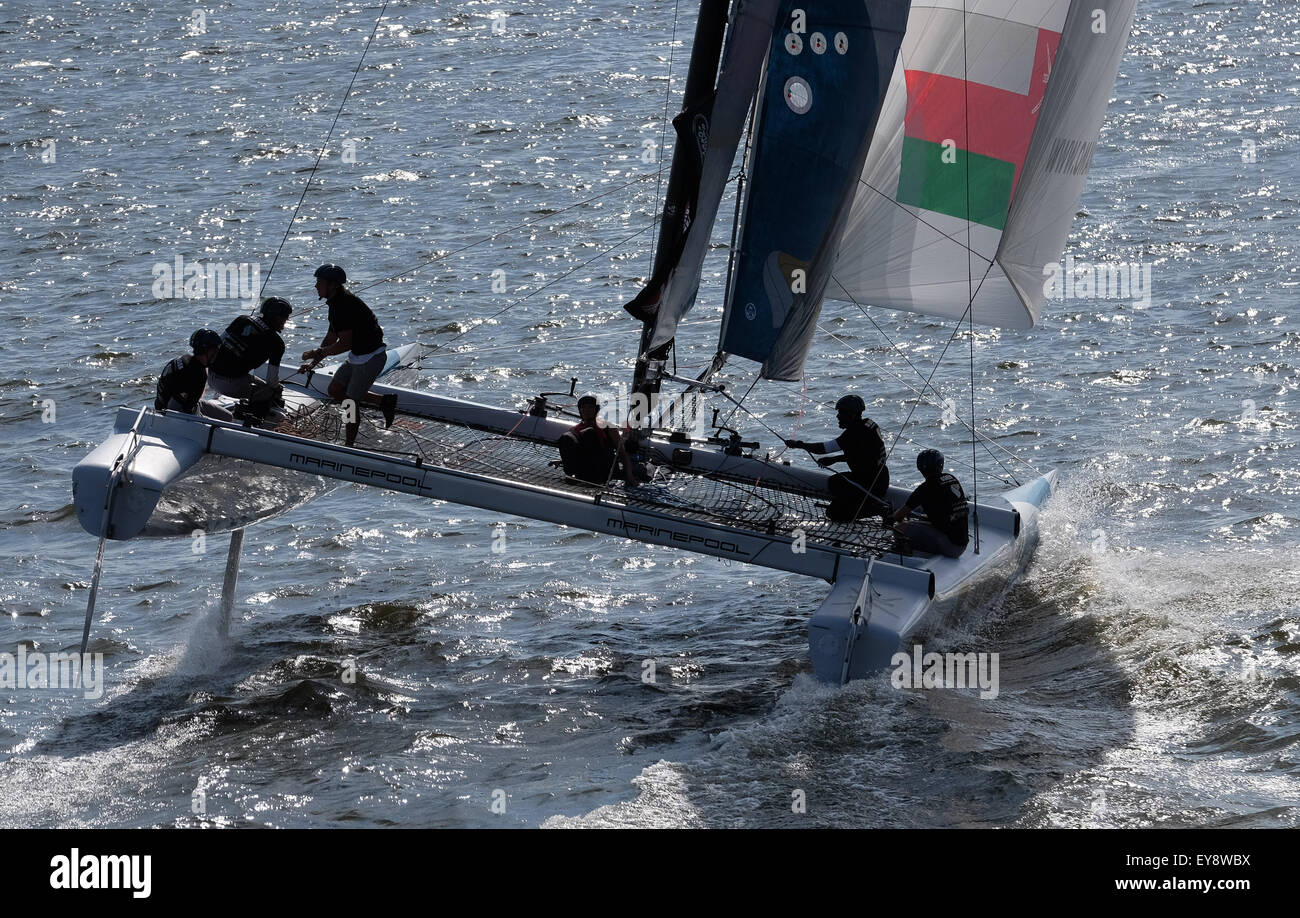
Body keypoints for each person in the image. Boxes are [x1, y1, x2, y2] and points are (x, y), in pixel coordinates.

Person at [299, 264, 398, 446]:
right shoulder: (335, 304)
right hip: (357, 356)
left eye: (319, 282)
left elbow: (345, 343)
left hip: (370, 358)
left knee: (350, 403)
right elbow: (331, 338)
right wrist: (313, 363)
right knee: (335, 390)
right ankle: (384, 401)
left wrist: (317, 352)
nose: (315, 286)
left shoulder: (344, 305)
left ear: (333, 285)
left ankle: (349, 445)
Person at [784, 394, 890, 522]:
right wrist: (835, 459)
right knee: (835, 482)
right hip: (879, 477)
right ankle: (862, 505)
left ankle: (879, 509)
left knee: (833, 510)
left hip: (870, 484)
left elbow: (823, 448)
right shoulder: (868, 424)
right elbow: (863, 454)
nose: (838, 417)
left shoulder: (853, 433)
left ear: (852, 415)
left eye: (841, 413)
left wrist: (799, 445)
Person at [208, 297, 292, 417]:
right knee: (270, 391)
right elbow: (272, 380)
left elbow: (217, 345)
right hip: (230, 386)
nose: (285, 321)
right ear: (276, 318)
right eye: (284, 318)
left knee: (251, 379)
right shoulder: (277, 343)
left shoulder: (242, 319)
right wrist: (276, 389)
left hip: (210, 377)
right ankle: (253, 418)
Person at [891, 449, 969, 558]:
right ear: (941, 466)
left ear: (920, 468)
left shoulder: (924, 489)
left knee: (899, 528)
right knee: (920, 516)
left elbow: (899, 516)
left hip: (951, 548)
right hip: (962, 542)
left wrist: (892, 516)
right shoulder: (951, 478)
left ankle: (904, 553)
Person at [557, 395, 637, 486]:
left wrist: (629, 476)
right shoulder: (575, 430)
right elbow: (578, 453)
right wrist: (562, 461)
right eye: (583, 407)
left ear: (596, 409)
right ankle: (572, 475)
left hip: (605, 469)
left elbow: (622, 453)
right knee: (566, 438)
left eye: (590, 407)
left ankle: (593, 479)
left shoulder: (608, 427)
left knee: (589, 433)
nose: (587, 410)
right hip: (585, 469)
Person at [155, 329, 233, 421]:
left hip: (186, 404)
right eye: (214, 351)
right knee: (224, 426)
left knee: (229, 417)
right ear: (205, 351)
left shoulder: (187, 360)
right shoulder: (195, 375)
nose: (216, 354)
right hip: (175, 415)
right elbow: (177, 411)